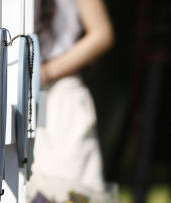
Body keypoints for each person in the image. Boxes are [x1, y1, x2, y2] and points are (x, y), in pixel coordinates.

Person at [32, 0, 113, 191]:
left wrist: (48, 72)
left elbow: (102, 33)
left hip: (60, 96)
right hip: (10, 97)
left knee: (70, 197)